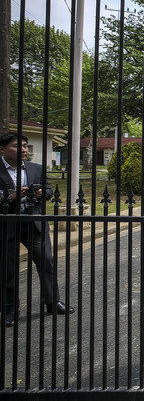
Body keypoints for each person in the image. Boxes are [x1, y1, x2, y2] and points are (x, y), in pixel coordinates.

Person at [0, 132, 74, 328]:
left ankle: (52, 301)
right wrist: (9, 197)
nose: (23, 150)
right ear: (2, 149)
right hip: (8, 223)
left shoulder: (35, 169)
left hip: (34, 222)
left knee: (47, 263)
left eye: (25, 146)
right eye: (18, 146)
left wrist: (42, 192)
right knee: (8, 267)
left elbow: (49, 191)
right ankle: (9, 310)